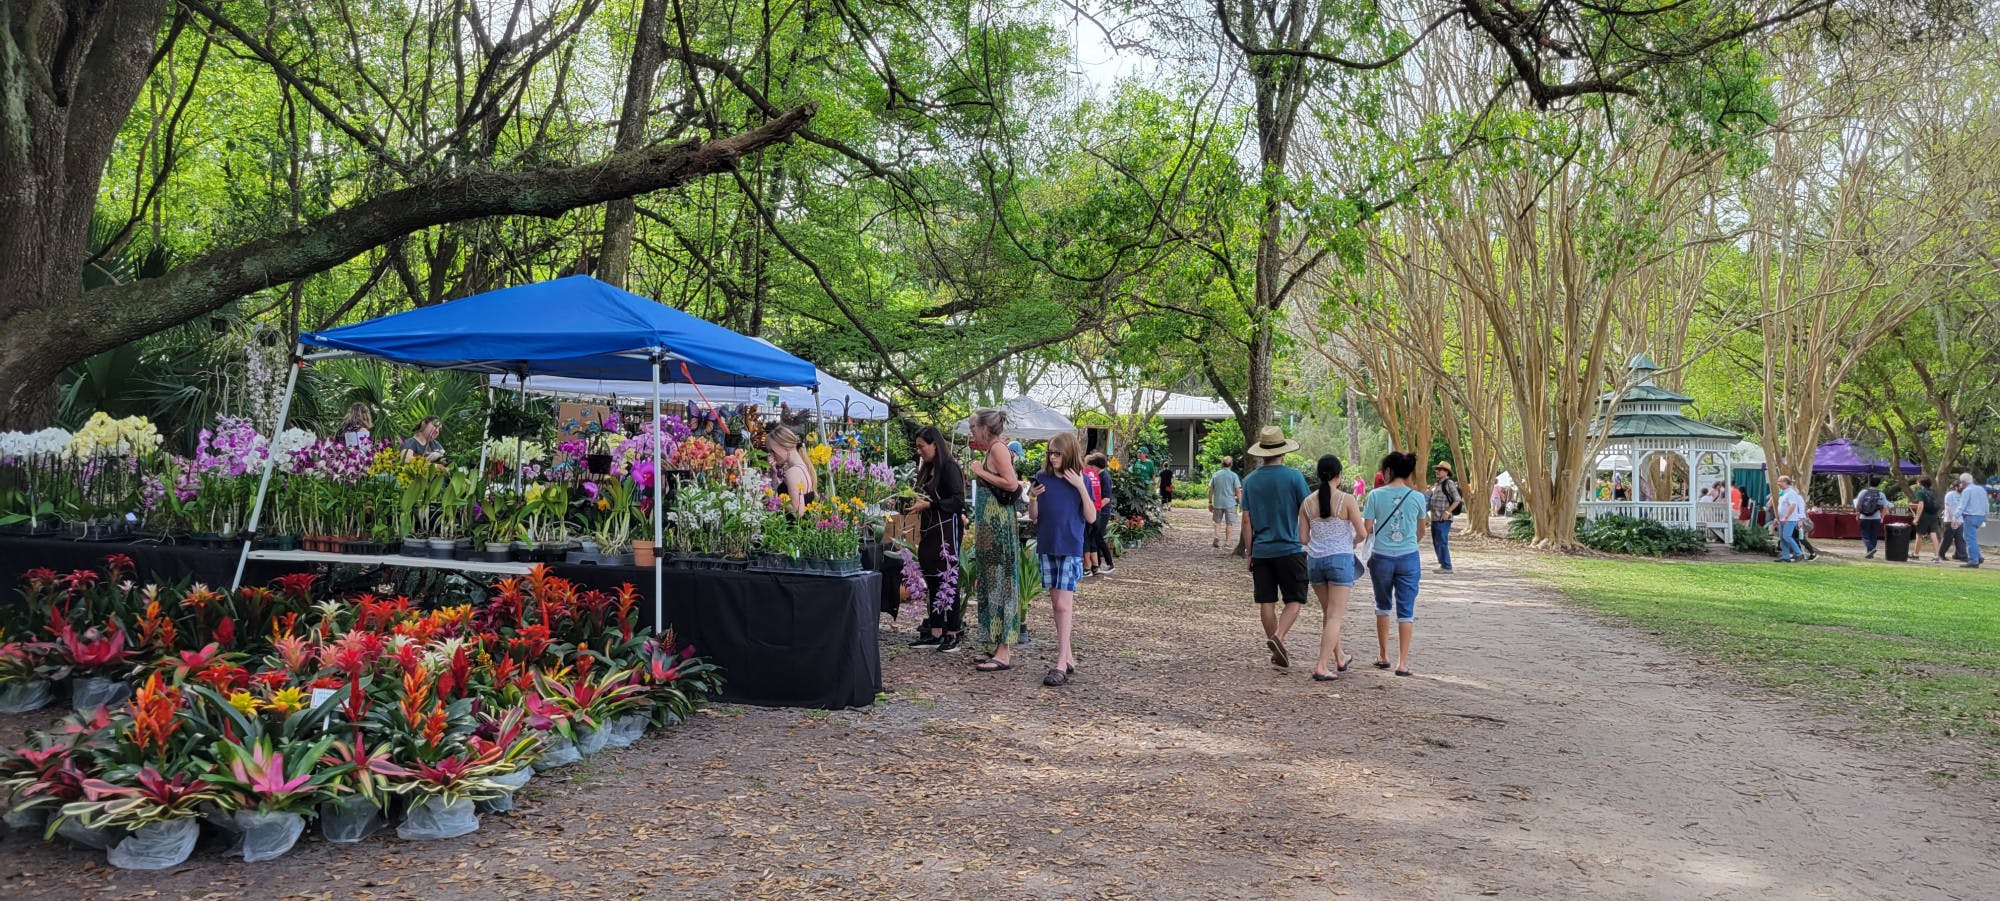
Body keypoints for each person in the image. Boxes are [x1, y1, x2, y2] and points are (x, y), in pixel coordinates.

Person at [1025, 433, 1096, 686]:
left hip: (1070, 545)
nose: (1052, 458)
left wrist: (1079, 486)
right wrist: (1032, 497)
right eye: (1050, 453)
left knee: (1064, 604)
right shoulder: (1041, 477)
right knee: (1056, 604)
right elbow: (1034, 516)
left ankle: (1060, 663)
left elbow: (1091, 517)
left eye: (1057, 453)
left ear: (1068, 453)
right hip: (1047, 544)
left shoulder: (1081, 479)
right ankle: (1068, 657)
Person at [1239, 426, 1310, 669]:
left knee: (1266, 602)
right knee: (1295, 599)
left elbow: (1246, 519)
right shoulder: (1294, 477)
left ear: (1261, 452)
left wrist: (1249, 552)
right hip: (1290, 548)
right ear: (1283, 451)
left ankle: (1275, 645)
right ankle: (1278, 638)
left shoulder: (1249, 481)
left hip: (1262, 550)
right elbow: (1307, 509)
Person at [1298, 455, 1367, 682]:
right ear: (1338, 475)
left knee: (1329, 614)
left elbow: (1303, 537)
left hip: (1315, 561)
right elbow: (1363, 532)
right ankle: (1320, 666)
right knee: (1335, 616)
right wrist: (1352, 541)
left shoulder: (1307, 503)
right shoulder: (1346, 500)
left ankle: (1340, 656)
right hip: (1340, 559)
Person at [967, 409, 1025, 672]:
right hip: (991, 531)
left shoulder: (998, 449)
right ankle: (998, 646)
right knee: (992, 583)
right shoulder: (993, 449)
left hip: (999, 530)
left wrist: (980, 471)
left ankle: (1004, 652)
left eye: (972, 427)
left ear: (983, 428)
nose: (971, 432)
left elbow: (1011, 484)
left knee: (1001, 584)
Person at [1363, 452, 1426, 677]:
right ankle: (1402, 662)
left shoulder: (1375, 495)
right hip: (1409, 556)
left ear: (1387, 471)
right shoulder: (1418, 497)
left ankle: (1383, 655)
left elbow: (1367, 528)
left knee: (1382, 606)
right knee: (1406, 610)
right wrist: (1408, 543)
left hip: (1381, 556)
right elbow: (1421, 530)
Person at [908, 427, 968, 652]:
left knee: (947, 579)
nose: (920, 451)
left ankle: (952, 633)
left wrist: (931, 505)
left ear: (935, 445)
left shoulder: (950, 468)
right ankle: (934, 632)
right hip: (929, 530)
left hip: (946, 532)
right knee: (932, 579)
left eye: (922, 446)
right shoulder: (926, 469)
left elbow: (957, 501)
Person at [765, 425, 818, 516]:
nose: (771, 455)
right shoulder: (801, 467)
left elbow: (798, 512)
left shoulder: (792, 473)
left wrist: (773, 500)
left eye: (773, 451)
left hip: (791, 528)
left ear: (784, 446)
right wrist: (774, 473)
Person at [1426, 461, 1463, 574]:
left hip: (1443, 519)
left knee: (1442, 541)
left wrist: (1447, 512)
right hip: (1435, 518)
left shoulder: (1449, 483)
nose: (1438, 471)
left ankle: (1447, 566)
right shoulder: (1438, 484)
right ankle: (1443, 564)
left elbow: (1457, 499)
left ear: (1446, 472)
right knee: (1437, 542)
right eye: (1437, 469)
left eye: (1440, 469)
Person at [1086, 454, 1117, 574]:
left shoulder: (1105, 478)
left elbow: (1106, 498)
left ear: (1098, 466)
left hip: (1103, 512)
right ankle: (1097, 564)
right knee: (1094, 537)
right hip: (1097, 511)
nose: (1091, 469)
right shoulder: (1097, 476)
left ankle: (1109, 563)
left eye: (1092, 466)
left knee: (1098, 537)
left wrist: (1094, 509)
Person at [1951, 472, 1986, 569]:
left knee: (1970, 538)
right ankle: (1978, 556)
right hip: (1980, 516)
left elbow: (1962, 506)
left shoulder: (1967, 491)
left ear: (1963, 482)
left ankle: (1974, 560)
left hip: (1970, 516)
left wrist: (1955, 517)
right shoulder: (1981, 489)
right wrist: (1985, 517)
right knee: (1969, 537)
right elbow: (1986, 504)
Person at [1208, 456, 1242, 550]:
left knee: (1217, 521)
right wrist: (1240, 503)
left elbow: (1210, 490)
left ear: (1222, 464)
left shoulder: (1215, 475)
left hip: (1218, 502)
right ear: (1231, 464)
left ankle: (1217, 536)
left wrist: (1210, 502)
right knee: (1229, 523)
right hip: (1230, 503)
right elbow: (1238, 491)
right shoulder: (1234, 476)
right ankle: (1227, 543)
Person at [1774, 475, 1807, 562]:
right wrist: (1777, 517)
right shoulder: (1783, 492)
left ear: (1786, 483)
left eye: (1781, 481)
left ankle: (1799, 553)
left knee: (1787, 536)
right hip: (1782, 519)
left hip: (1790, 519)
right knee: (1782, 537)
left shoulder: (1791, 493)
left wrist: (1786, 517)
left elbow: (1792, 505)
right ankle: (1786, 556)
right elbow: (1781, 506)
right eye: (1778, 481)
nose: (1778, 483)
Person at [1853, 477, 1887, 559]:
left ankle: (1871, 549)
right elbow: (1885, 507)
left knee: (1865, 535)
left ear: (1869, 483)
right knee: (1873, 535)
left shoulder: (1864, 492)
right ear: (1878, 484)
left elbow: (1858, 504)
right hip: (1876, 518)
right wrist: (1882, 517)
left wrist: (1857, 514)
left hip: (1864, 517)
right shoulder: (1881, 494)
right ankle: (1870, 553)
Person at [1910, 477, 1939, 563]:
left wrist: (1916, 518)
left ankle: (1916, 554)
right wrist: (1914, 505)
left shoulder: (1920, 492)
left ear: (1921, 483)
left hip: (1924, 516)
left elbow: (1921, 505)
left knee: (1919, 535)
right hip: (1933, 516)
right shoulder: (1933, 492)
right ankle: (1936, 556)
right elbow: (1926, 504)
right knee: (1933, 534)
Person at [1941, 480, 1967, 563]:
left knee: (1960, 539)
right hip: (1950, 520)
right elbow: (1948, 507)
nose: (1963, 488)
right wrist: (1953, 519)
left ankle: (1961, 555)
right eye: (1961, 486)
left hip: (1960, 521)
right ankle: (1940, 553)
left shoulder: (1964, 496)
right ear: (1956, 487)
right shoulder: (1950, 495)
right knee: (1947, 539)